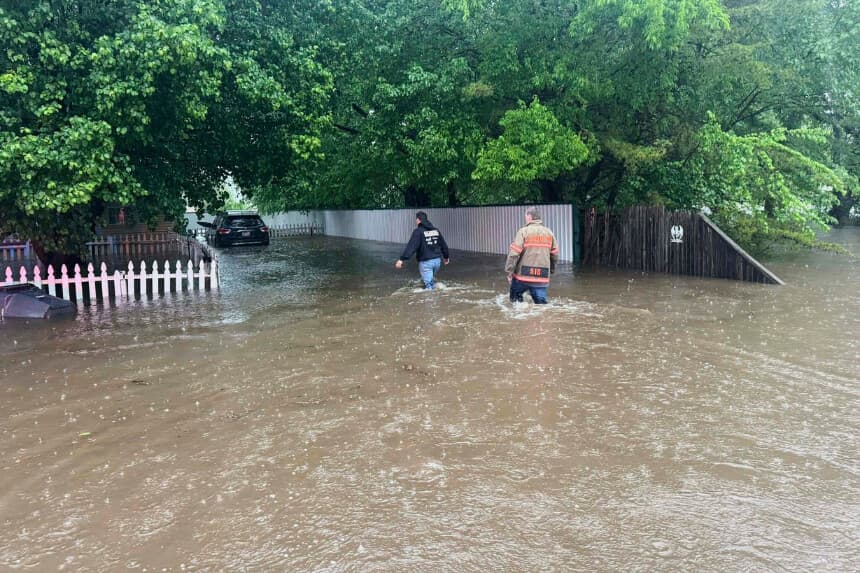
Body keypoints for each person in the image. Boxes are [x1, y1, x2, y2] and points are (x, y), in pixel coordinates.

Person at [505, 206, 559, 304]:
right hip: (542, 277)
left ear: (529, 216)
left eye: (525, 216)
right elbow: (554, 255)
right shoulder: (549, 233)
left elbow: (514, 254)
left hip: (522, 276)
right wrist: (552, 270)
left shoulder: (523, 232)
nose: (525, 218)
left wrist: (509, 272)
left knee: (515, 302)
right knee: (541, 306)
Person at [395, 211, 450, 289]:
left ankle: (431, 294)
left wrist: (401, 259)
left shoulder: (418, 232)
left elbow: (411, 247)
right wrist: (446, 257)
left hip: (426, 263)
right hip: (437, 261)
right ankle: (438, 289)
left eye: (416, 219)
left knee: (429, 287)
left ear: (418, 220)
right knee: (429, 280)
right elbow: (443, 245)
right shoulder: (436, 230)